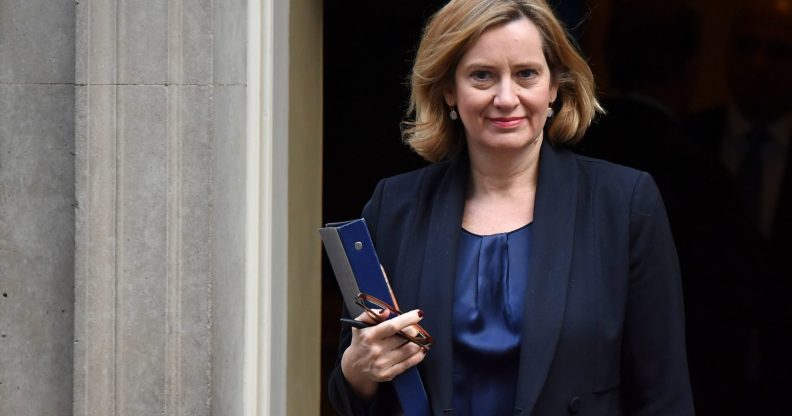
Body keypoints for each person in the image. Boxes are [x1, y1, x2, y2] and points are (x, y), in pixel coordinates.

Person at [328, 0, 694, 414]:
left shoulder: (623, 204)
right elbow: (351, 394)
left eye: (526, 74)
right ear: (448, 89)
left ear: (554, 86)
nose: (506, 98)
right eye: (482, 75)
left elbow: (664, 396)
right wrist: (357, 370)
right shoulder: (394, 207)